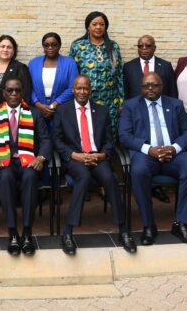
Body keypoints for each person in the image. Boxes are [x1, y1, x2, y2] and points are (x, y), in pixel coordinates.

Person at [53, 75, 136, 255]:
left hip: (97, 157)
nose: (82, 92)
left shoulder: (102, 111)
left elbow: (109, 140)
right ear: (73, 90)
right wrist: (75, 155)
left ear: (90, 90)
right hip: (75, 158)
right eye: (79, 88)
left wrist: (102, 155)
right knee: (82, 177)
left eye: (85, 88)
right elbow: (57, 141)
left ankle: (123, 230)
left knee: (110, 178)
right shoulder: (63, 111)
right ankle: (68, 232)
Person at [119, 72, 187, 246]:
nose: (150, 89)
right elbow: (124, 136)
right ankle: (149, 224)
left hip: (173, 154)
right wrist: (149, 150)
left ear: (161, 87)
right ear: (141, 88)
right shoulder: (130, 106)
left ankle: (180, 223)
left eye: (154, 85)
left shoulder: (175, 104)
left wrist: (174, 148)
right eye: (146, 85)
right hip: (146, 155)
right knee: (138, 171)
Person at [0, 78, 51, 256]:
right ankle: (12, 231)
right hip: (3, 161)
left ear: (22, 93)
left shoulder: (34, 113)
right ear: (4, 93)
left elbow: (46, 140)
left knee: (30, 177)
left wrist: (41, 157)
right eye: (9, 91)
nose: (13, 94)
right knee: (5, 177)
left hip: (28, 161)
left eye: (17, 91)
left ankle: (27, 232)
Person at [69, 11, 124, 137]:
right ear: (88, 26)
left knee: (108, 131)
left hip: (110, 99)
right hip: (86, 98)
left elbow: (119, 74)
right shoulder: (78, 46)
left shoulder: (113, 46)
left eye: (102, 24)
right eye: (94, 24)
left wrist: (121, 100)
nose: (98, 27)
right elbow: (73, 74)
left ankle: (107, 155)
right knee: (87, 129)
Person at [28, 32, 79, 130]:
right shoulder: (33, 63)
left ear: (59, 46)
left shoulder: (69, 63)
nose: (50, 48)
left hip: (61, 109)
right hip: (38, 109)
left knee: (58, 139)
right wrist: (38, 104)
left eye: (54, 44)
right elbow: (28, 86)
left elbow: (72, 87)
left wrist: (54, 104)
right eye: (46, 45)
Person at [0, 35, 32, 108]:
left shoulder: (20, 68)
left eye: (9, 47)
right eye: (2, 46)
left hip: (8, 113)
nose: (5, 50)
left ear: (14, 50)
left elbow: (26, 94)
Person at [123, 34, 178, 99]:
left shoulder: (166, 66)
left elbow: (172, 91)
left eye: (148, 46)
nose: (144, 48)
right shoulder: (128, 67)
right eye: (140, 46)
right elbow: (125, 92)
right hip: (135, 107)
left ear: (154, 48)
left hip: (160, 107)